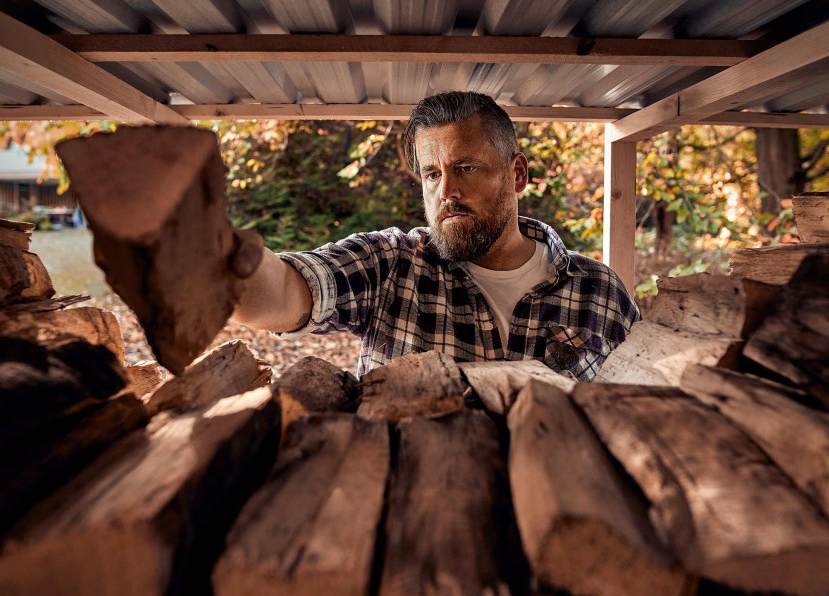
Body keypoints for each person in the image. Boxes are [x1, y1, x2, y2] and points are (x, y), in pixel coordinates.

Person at [229, 91, 639, 380]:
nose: (446, 192)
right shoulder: (392, 265)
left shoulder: (599, 292)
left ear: (517, 174)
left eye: (466, 168)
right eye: (431, 174)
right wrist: (216, 261)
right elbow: (282, 289)